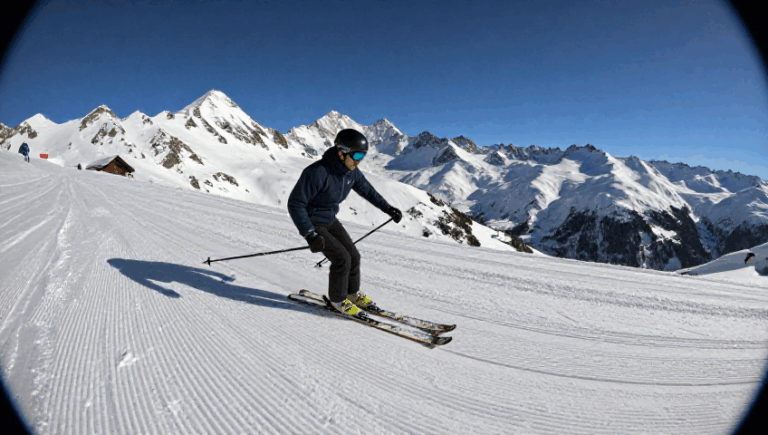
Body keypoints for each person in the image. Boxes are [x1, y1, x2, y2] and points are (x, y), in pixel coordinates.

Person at [287, 129, 402, 317]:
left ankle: (352, 293)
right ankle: (338, 300)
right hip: (313, 221)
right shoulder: (317, 172)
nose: (358, 161)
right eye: (356, 155)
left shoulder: (351, 172)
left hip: (330, 219)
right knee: (341, 259)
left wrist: (387, 208)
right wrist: (309, 234)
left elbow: (368, 191)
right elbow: (295, 203)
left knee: (354, 256)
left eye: (362, 156)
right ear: (341, 152)